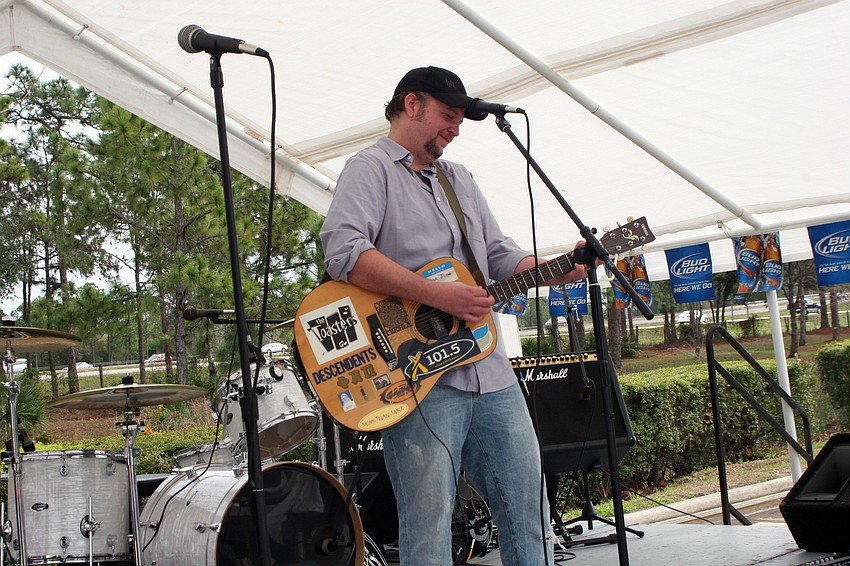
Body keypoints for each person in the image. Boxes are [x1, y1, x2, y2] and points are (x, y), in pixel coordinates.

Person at [320, 66, 589, 566]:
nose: (456, 129)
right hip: (417, 375)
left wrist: (558, 270)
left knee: (528, 507)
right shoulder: (369, 168)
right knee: (428, 522)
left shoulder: (458, 178)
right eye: (448, 115)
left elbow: (501, 257)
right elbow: (345, 252)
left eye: (463, 120)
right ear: (412, 103)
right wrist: (438, 297)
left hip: (488, 369)